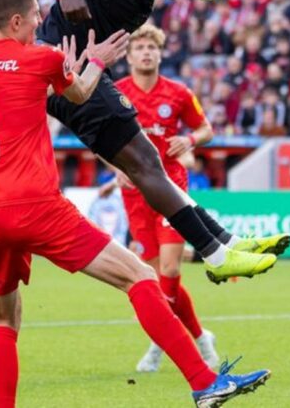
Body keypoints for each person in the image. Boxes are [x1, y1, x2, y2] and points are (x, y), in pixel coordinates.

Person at [0, 0, 270, 408]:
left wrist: (59, 69)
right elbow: (80, 93)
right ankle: (204, 382)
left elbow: (19, 94)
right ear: (14, 20)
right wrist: (96, 61)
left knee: (4, 318)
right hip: (35, 204)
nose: (39, 21)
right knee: (140, 276)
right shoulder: (41, 58)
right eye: (33, 15)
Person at [28, 0, 289, 283]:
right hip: (63, 69)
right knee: (148, 164)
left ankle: (226, 243)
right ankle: (217, 254)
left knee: (150, 165)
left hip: (85, 72)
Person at [101, 24, 220, 371]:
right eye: (140, 48)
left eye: (152, 47)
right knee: (155, 277)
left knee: (170, 268)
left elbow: (205, 128)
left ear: (160, 53)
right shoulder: (114, 92)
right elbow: (97, 138)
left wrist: (191, 141)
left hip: (171, 189)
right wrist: (115, 167)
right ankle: (200, 337)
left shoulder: (178, 93)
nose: (147, 53)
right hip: (135, 195)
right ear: (130, 55)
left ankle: (158, 345)